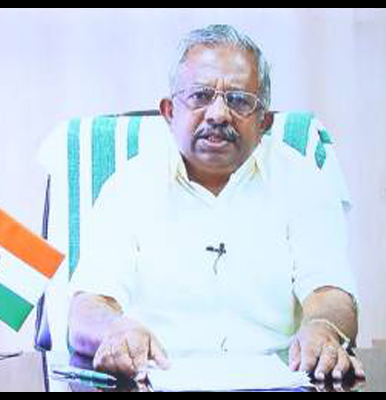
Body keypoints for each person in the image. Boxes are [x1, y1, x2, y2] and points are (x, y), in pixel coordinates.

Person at [68, 24, 365, 382]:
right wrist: (115, 330)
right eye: (200, 96)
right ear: (169, 112)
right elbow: (88, 308)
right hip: (157, 379)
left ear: (264, 121)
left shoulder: (302, 181)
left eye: (239, 100)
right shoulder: (128, 187)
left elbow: (330, 292)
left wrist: (323, 328)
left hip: (279, 380)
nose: (218, 114)